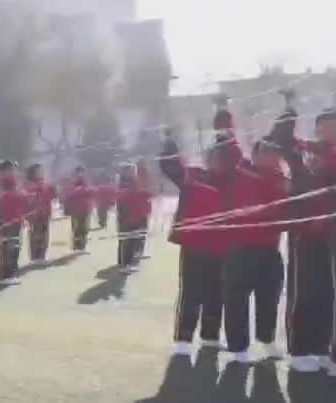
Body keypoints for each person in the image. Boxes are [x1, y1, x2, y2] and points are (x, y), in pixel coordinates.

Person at [291, 108, 336, 381]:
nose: (334, 133)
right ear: (318, 129)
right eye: (327, 128)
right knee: (322, 293)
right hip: (324, 232)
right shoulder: (311, 153)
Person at [159, 127, 235, 356]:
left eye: (221, 158)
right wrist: (169, 142)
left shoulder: (234, 182)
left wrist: (226, 139)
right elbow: (170, 166)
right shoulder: (193, 175)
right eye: (213, 157)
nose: (216, 162)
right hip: (194, 247)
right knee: (191, 292)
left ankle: (210, 336)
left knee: (217, 292)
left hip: (222, 248)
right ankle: (183, 339)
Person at [276, 107, 336, 373]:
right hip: (306, 238)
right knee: (304, 293)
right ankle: (300, 349)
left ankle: (323, 348)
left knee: (330, 294)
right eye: (327, 127)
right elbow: (283, 139)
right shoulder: (301, 164)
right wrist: (290, 110)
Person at [219, 140, 288, 363]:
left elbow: (286, 211)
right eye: (266, 153)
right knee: (236, 299)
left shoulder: (282, 180)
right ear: (255, 155)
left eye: (274, 154)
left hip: (270, 250)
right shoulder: (240, 175)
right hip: (240, 249)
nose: (271, 158)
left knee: (269, 298)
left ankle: (267, 342)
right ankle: (239, 349)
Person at [0, 161, 27, 284]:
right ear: (5, 171)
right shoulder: (2, 185)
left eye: (14, 169)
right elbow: (0, 200)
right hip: (6, 221)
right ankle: (6, 275)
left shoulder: (15, 185)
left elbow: (21, 200)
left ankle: (11, 274)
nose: (14, 172)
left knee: (14, 247)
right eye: (12, 169)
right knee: (7, 248)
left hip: (15, 220)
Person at [115, 164, 151, 272]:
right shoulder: (123, 183)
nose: (133, 172)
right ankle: (124, 264)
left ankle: (129, 263)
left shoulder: (135, 181)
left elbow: (142, 194)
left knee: (133, 239)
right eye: (130, 170)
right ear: (125, 172)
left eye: (133, 170)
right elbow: (122, 196)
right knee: (126, 241)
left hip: (136, 215)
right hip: (126, 215)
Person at [24, 164, 56, 263]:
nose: (41, 172)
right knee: (35, 235)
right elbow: (28, 198)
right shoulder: (28, 185)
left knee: (45, 234)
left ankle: (42, 255)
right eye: (38, 171)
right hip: (34, 215)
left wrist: (53, 189)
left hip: (45, 213)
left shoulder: (45, 184)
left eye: (41, 170)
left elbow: (52, 196)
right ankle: (35, 257)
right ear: (32, 173)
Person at [64, 167, 95, 253]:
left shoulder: (87, 183)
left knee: (85, 228)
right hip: (76, 210)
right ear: (76, 174)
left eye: (83, 173)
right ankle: (77, 247)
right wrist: (82, 191)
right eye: (79, 173)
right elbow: (69, 194)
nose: (81, 175)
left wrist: (84, 189)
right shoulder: (72, 184)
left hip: (87, 209)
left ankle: (83, 246)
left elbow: (92, 191)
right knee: (77, 228)